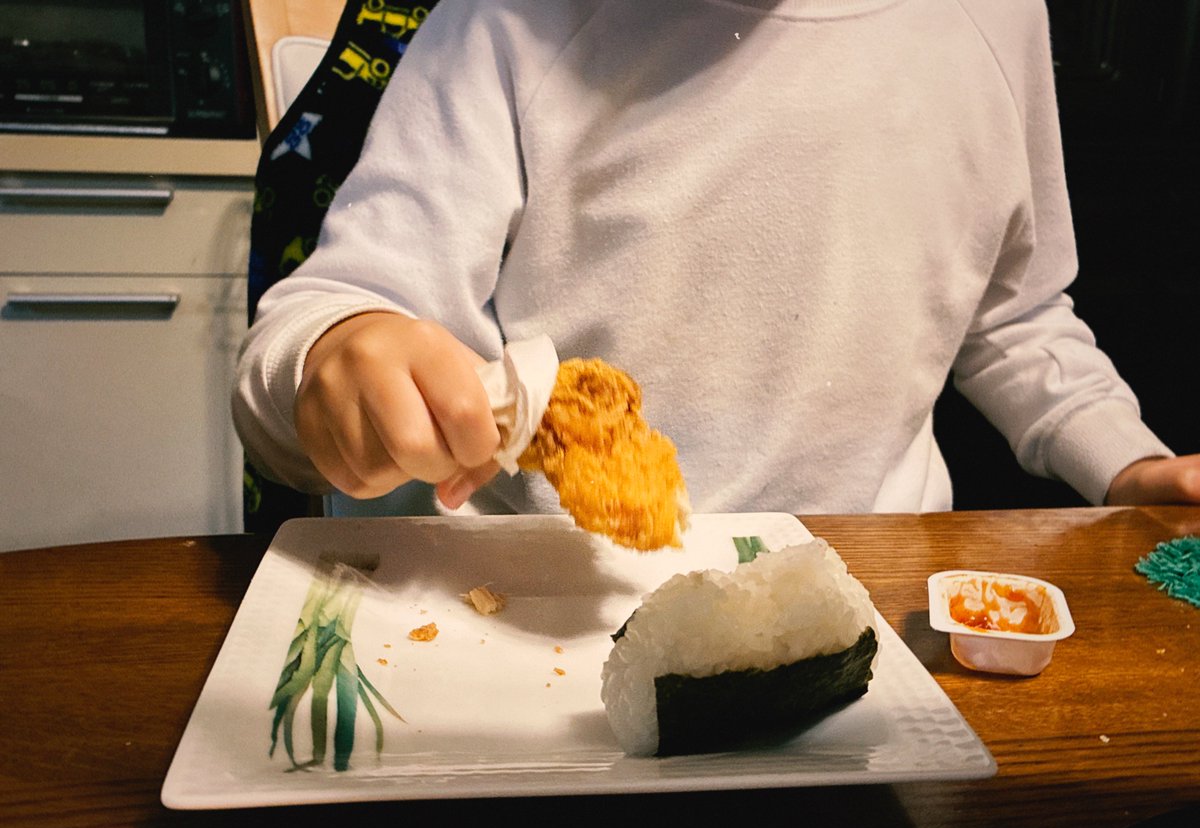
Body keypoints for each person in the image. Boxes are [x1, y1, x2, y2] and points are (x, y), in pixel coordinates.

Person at [234, 0, 1200, 522]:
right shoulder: (502, 23)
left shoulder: (994, 19)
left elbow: (1012, 313)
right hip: (545, 601)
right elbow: (320, 322)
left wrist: (1128, 461)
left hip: (877, 589)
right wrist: (336, 354)